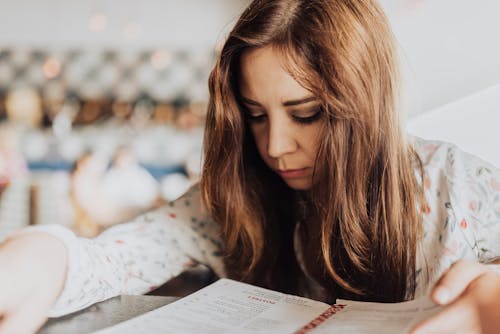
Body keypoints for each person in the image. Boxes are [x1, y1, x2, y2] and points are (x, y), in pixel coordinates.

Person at [0, 0, 499, 333]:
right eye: (255, 116)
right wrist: (49, 254)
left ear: (365, 105)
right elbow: (119, 255)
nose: (277, 146)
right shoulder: (237, 197)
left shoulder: (456, 182)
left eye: (306, 114)